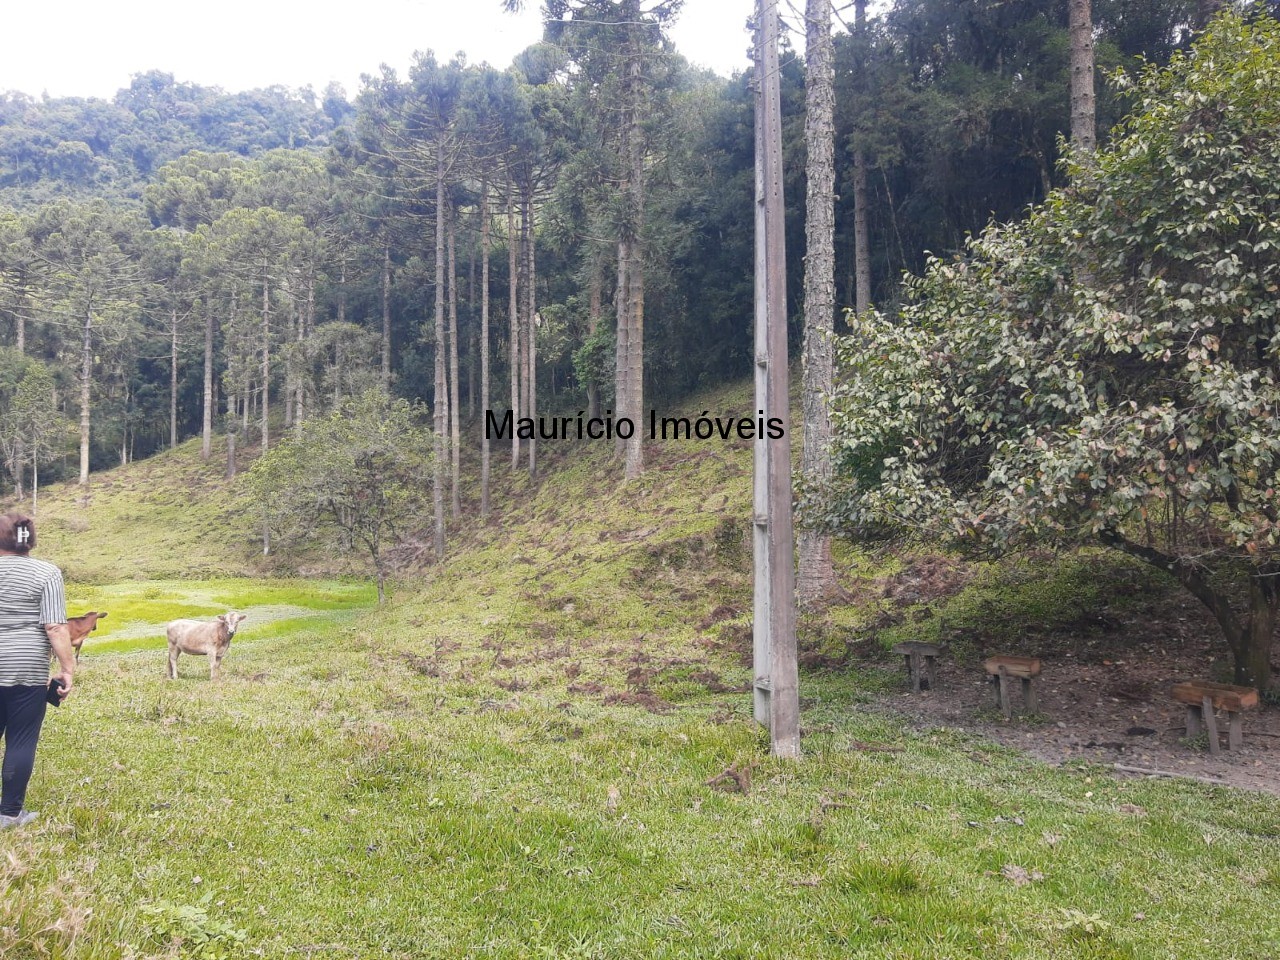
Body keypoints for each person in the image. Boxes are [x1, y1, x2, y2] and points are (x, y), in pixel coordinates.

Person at [0, 512, 74, 829]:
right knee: (21, 739)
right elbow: (55, 626)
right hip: (27, 667)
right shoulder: (47, 573)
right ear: (29, 539)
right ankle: (10, 814)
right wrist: (67, 668)